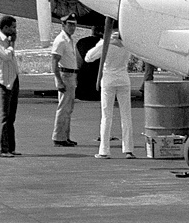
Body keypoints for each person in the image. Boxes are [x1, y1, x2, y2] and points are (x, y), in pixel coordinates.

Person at [84, 30, 135, 159]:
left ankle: (104, 150)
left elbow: (88, 57)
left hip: (108, 79)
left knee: (106, 116)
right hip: (123, 78)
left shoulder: (105, 43)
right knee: (126, 116)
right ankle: (128, 149)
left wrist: (102, 43)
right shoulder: (126, 44)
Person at [0, 15, 20, 158]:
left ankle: (10, 147)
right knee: (4, 116)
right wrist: (12, 45)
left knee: (11, 116)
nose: (15, 30)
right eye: (13, 27)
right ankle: (1, 148)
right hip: (3, 82)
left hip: (13, 79)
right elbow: (6, 56)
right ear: (6, 27)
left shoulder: (7, 41)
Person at [50, 13, 80, 147]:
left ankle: (65, 136)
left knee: (68, 108)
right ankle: (58, 137)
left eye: (74, 25)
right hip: (65, 75)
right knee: (63, 108)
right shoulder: (61, 40)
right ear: (63, 25)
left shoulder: (68, 39)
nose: (72, 27)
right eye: (70, 24)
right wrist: (59, 81)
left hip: (71, 75)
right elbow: (54, 61)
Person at [74, 25, 103, 101]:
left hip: (84, 80)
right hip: (100, 79)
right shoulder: (105, 43)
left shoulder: (81, 42)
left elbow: (78, 63)